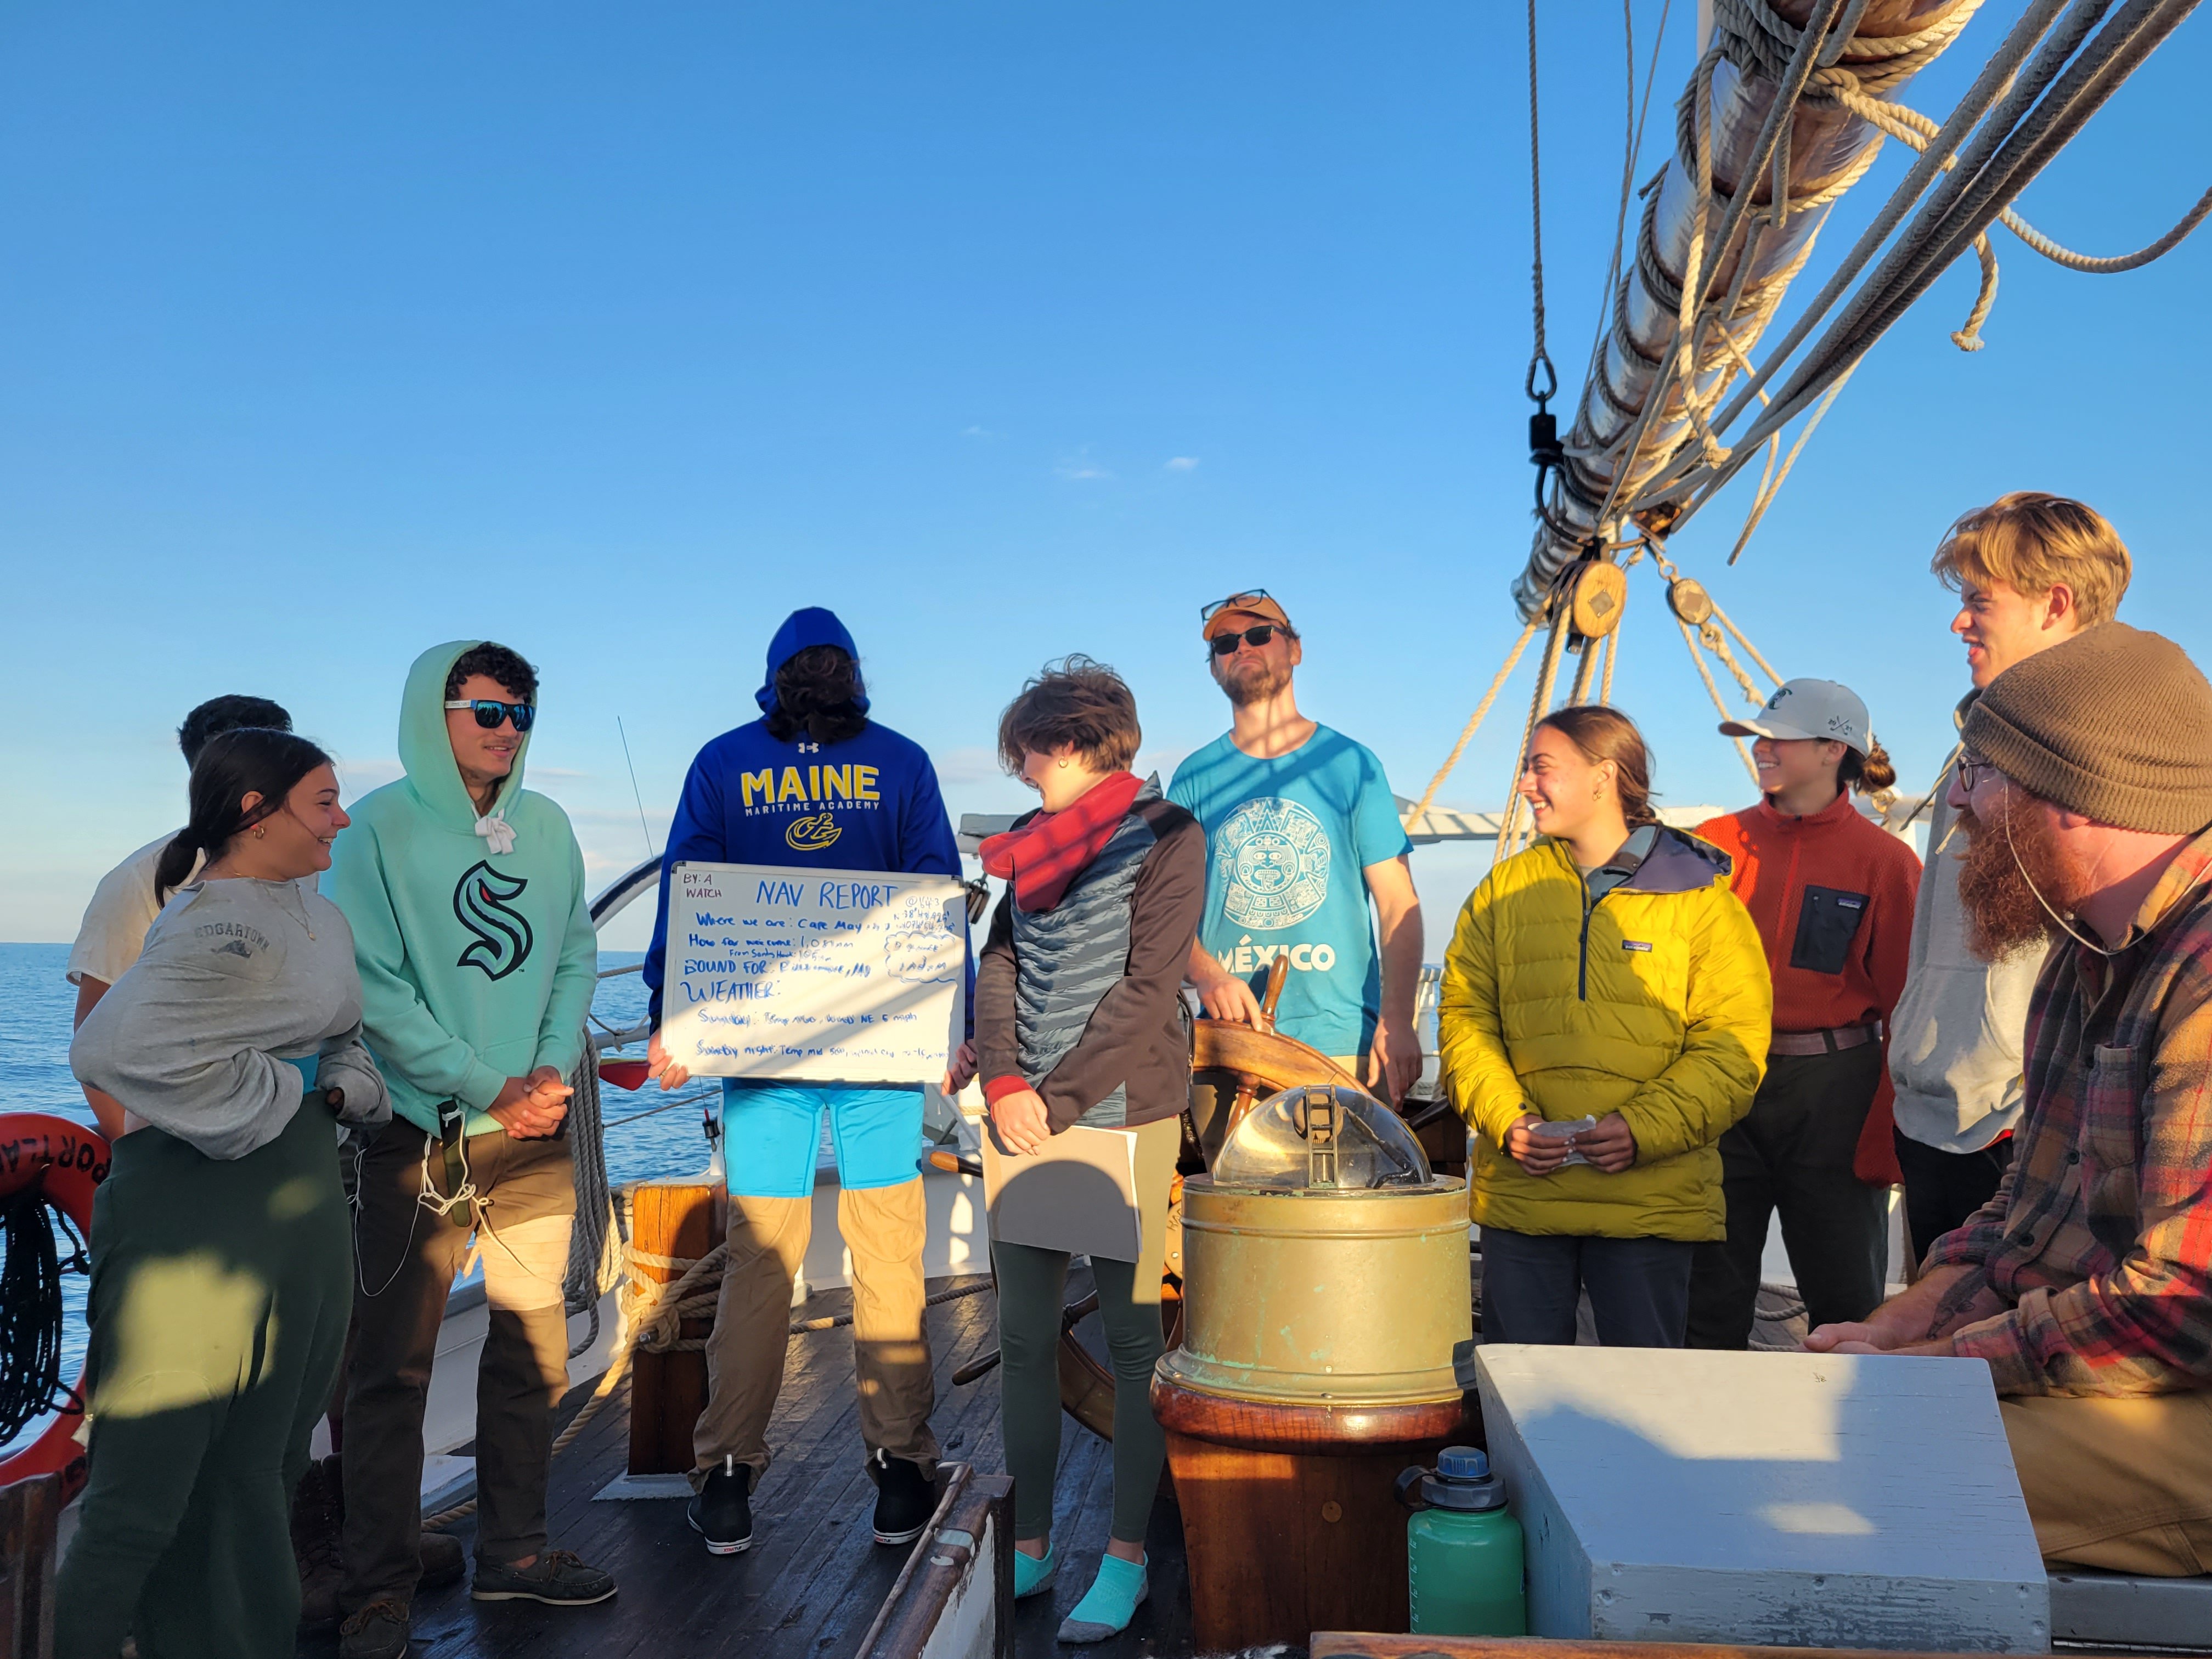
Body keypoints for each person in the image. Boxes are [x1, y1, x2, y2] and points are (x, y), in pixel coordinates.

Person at [1807, 622, 2212, 1576]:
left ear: (2076, 793)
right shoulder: (2084, 956)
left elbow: (2191, 1304)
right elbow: (2025, 1212)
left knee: (1857, 1464)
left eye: (1981, 770)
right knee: (1825, 1399)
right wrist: (1917, 1314)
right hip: (2132, 1364)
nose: (1954, 797)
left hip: (2187, 1385)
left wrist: (1943, 1369)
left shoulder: (2199, 978)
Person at [643, 607, 971, 1558]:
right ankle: (901, 1466)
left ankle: (727, 1474)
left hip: (765, 1059)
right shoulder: (902, 761)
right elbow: (937, 895)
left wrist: (676, 1013)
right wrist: (953, 1028)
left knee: (759, 1264)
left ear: (772, 677)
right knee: (888, 1257)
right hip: (876, 1056)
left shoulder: (723, 760)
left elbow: (686, 886)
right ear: (853, 673)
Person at [59, 730, 389, 1659]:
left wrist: (341, 1083)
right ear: (256, 812)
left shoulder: (316, 914)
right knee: (146, 1488)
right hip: (197, 1219)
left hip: (301, 1214)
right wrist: (282, 1094)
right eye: (323, 801)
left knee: (265, 1471)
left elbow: (342, 1033)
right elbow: (109, 1050)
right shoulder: (212, 922)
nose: (342, 816)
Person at [324, 641, 607, 1659]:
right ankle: (377, 1585)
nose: (506, 728)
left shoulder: (551, 826)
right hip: (418, 1136)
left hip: (530, 1131)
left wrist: (541, 1073)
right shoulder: (375, 831)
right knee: (390, 1369)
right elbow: (375, 987)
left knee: (532, 1350)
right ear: (433, 709)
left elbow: (573, 952)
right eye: (486, 707)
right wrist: (487, 1084)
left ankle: (516, 1552)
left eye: (521, 711)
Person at [975, 658, 1203, 1641]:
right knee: (1025, 1339)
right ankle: (1026, 1545)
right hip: (1021, 1114)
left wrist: (1054, 1098)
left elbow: (1148, 990)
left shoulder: (1168, 835)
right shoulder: (1022, 851)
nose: (1021, 773)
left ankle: (1125, 1556)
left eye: (1026, 754)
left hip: (1122, 1116)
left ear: (1063, 744)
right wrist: (1003, 1081)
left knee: (1130, 1341)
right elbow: (997, 963)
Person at [1440, 706, 1770, 1347]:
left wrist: (1641, 1131)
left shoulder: (1703, 901)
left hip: (1650, 1205)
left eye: (1542, 767)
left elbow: (1733, 1047)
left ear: (1603, 776)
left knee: (1639, 1405)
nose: (1525, 785)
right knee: (1517, 1399)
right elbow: (1463, 1017)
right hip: (1527, 1200)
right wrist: (1509, 1119)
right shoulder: (1502, 891)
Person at [1889, 493, 2133, 1265]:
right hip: (1937, 1104)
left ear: (2054, 604)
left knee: (1999, 1360)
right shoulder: (1975, 745)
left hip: (2026, 1124)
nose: (1959, 622)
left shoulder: (2116, 748)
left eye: (1976, 600)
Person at [1686, 680, 1921, 1348]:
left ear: (1830, 749)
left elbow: (1907, 1001)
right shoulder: (1707, 847)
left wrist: (1884, 1131)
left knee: (1845, 1295)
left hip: (1836, 1094)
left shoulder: (1887, 864)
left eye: (1777, 738)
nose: (1761, 749)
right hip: (1720, 1079)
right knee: (1707, 1290)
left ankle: (1854, 1444)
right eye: (1759, 737)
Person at [1167, 590, 1421, 1135]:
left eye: (1260, 634)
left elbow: (1398, 901)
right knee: (1239, 1219)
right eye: (1225, 643)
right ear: (1214, 666)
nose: (1243, 648)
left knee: (1344, 1220)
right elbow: (1163, 912)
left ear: (1296, 650)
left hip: (1344, 1050)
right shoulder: (1192, 778)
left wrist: (1398, 1022)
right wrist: (1208, 976)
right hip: (1229, 1050)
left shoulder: (1353, 765)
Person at [67, 693, 293, 1139]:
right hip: (187, 1144)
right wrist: (137, 1158)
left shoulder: (314, 870)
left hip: (301, 1132)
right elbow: (94, 1043)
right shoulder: (138, 881)